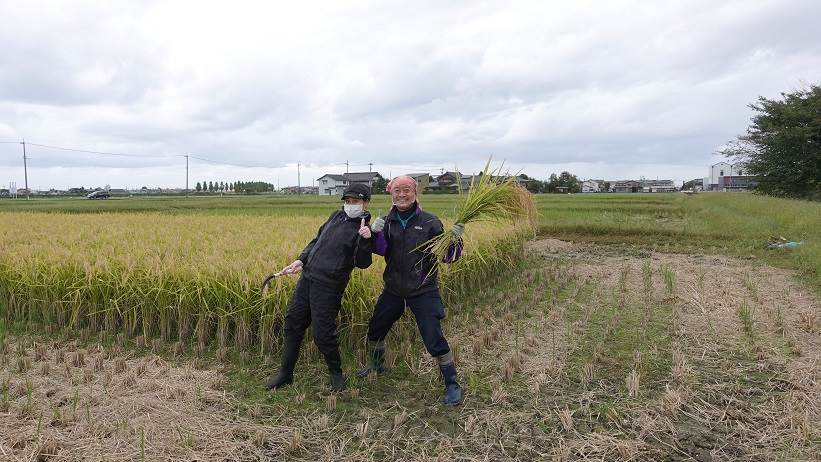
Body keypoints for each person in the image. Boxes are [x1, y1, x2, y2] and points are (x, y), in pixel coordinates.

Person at [358, 175, 465, 406]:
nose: (402, 195)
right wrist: (375, 234)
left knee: (433, 338)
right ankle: (377, 366)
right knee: (376, 328)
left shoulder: (430, 222)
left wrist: (455, 241)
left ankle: (452, 383)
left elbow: (447, 257)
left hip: (423, 289)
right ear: (391, 194)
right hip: (394, 288)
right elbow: (381, 250)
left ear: (415, 192)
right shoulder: (387, 221)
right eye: (397, 190)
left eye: (406, 190)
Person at [265, 183, 374, 392]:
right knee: (293, 323)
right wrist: (301, 260)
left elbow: (363, 263)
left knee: (323, 333)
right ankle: (285, 373)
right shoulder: (336, 216)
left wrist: (366, 240)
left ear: (365, 203)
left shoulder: (364, 229)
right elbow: (317, 241)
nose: (351, 205)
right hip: (307, 278)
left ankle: (336, 374)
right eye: (348, 201)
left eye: (356, 201)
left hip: (329, 285)